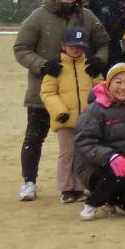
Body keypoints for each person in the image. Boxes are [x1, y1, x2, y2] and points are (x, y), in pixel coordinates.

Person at [13, 0, 111, 202]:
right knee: (34, 137)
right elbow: (21, 48)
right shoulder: (39, 16)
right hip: (43, 90)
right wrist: (42, 65)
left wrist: (99, 60)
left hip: (78, 94)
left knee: (78, 142)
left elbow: (103, 43)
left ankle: (77, 184)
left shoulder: (87, 17)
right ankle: (29, 181)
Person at [73, 62, 125, 220]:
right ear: (108, 84)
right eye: (118, 82)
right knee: (117, 172)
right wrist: (110, 156)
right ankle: (93, 203)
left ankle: (110, 197)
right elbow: (84, 141)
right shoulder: (95, 109)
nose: (123, 87)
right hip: (97, 167)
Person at [39, 26, 94, 202]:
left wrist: (92, 110)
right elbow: (48, 93)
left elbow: (99, 89)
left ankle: (79, 186)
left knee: (82, 154)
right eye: (72, 46)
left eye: (80, 46)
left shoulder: (90, 66)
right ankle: (66, 188)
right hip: (64, 120)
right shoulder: (56, 67)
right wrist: (60, 111)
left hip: (86, 119)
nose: (76, 49)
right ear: (63, 46)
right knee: (67, 154)